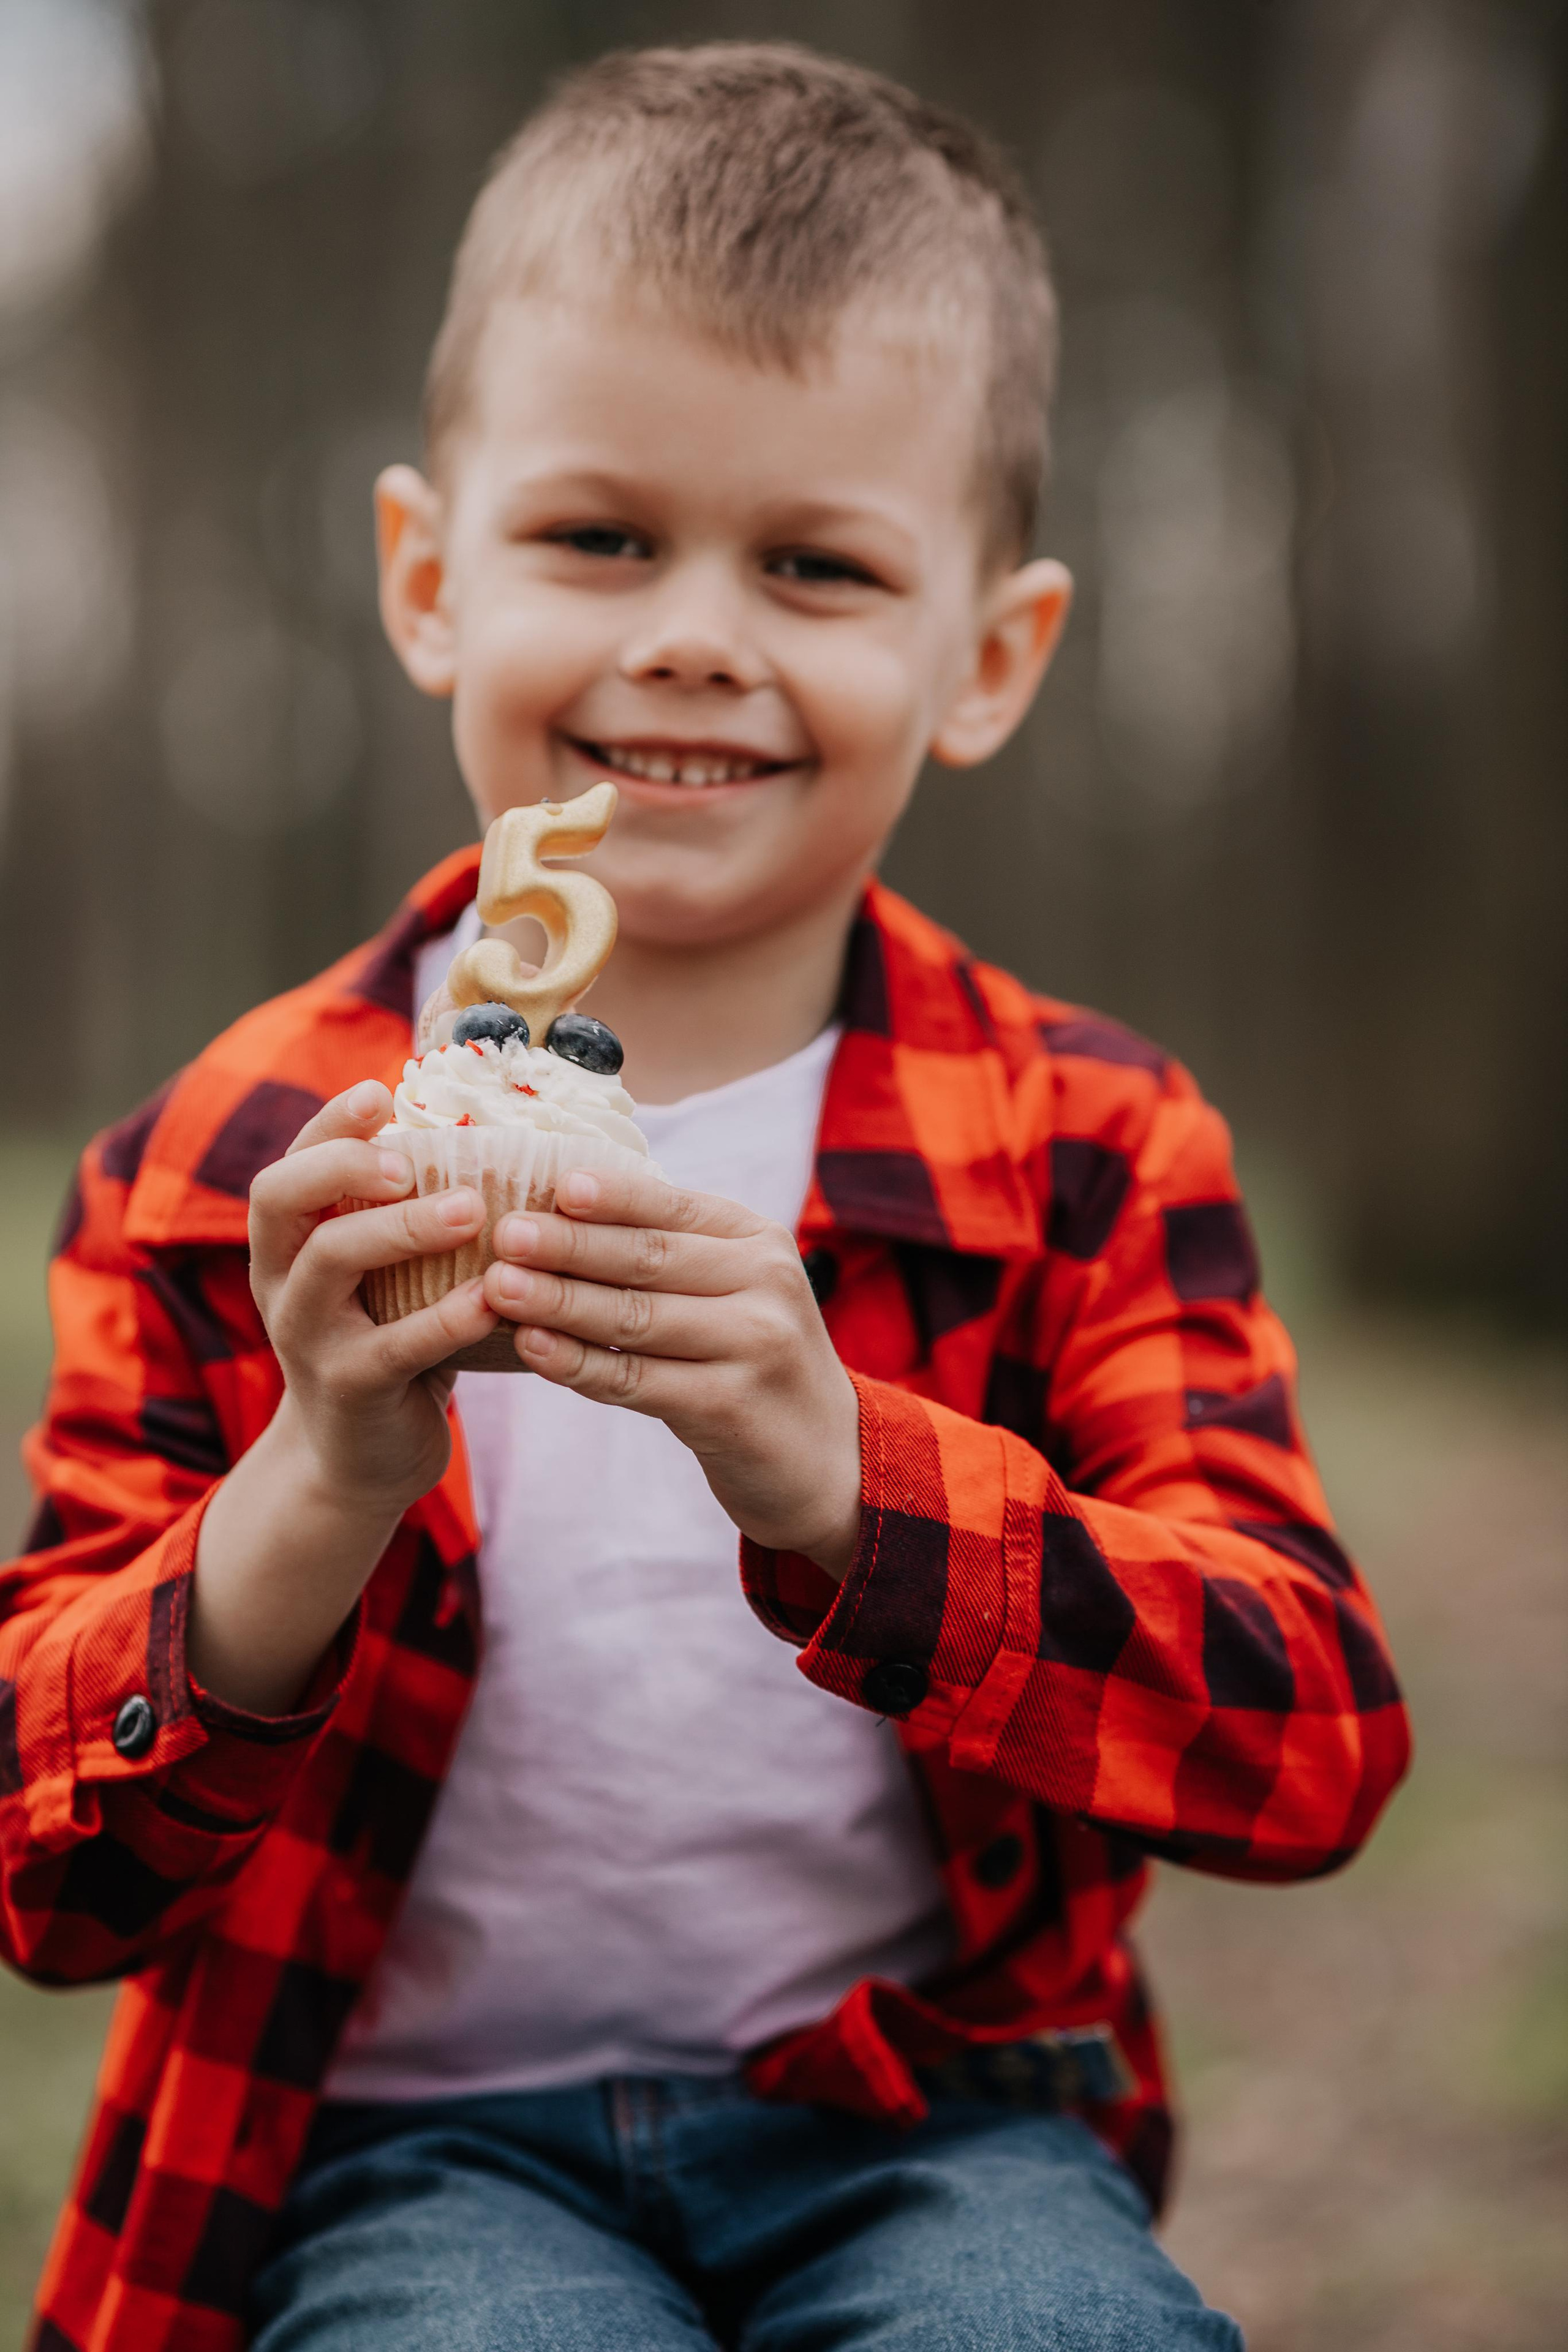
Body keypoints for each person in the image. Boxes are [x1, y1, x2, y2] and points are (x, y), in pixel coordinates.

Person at [0, 42, 1409, 2352]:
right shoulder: (226, 1163)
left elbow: (1312, 1741)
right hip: (397, 2144)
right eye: (600, 537)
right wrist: (319, 1473)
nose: (692, 634)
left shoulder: (1083, 1144)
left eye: (820, 565)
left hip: (925, 2125)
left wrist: (849, 1475)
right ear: (428, 579)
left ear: (987, 658)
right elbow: (53, 1885)